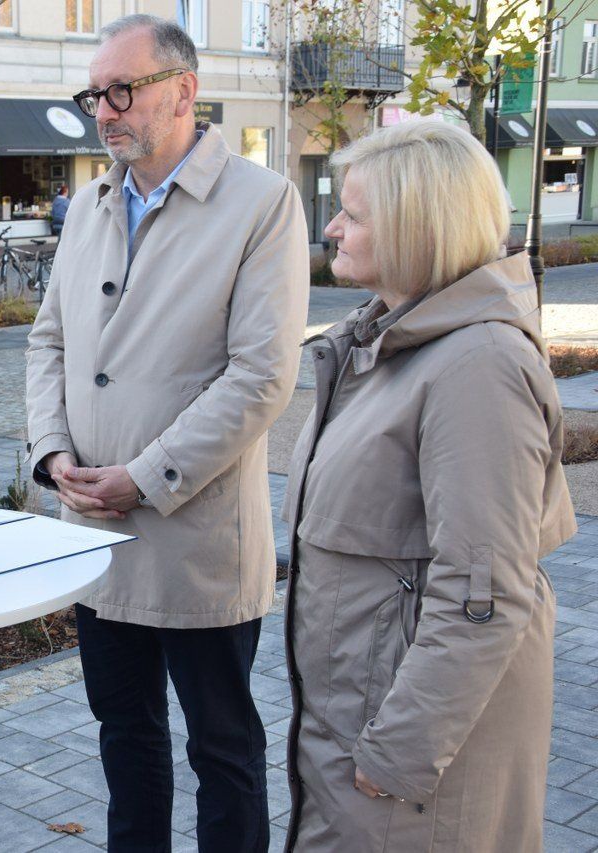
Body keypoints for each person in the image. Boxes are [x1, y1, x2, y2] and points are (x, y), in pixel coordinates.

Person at [25, 14, 309, 851]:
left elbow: (262, 377)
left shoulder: (262, 204)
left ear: (183, 90)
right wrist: (52, 454)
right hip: (94, 534)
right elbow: (50, 340)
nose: (105, 111)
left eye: (124, 90)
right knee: (125, 735)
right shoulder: (88, 204)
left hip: (196, 537)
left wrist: (143, 475)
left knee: (222, 746)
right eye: (94, 95)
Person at [282, 120, 575, 851]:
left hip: (411, 760)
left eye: (353, 213)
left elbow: (486, 591)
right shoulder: (388, 342)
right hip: (360, 726)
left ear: (417, 227)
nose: (333, 229)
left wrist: (401, 751)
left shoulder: (476, 366)